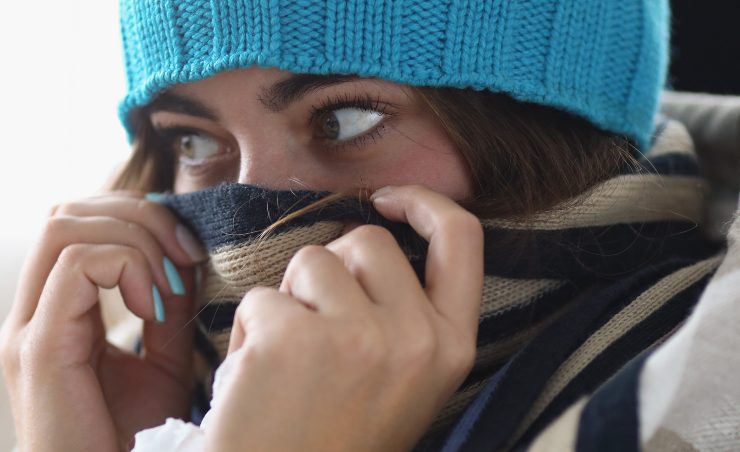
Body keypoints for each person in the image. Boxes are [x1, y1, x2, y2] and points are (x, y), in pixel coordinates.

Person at [2, 0, 736, 450]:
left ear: (545, 131)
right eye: (192, 141)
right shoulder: (148, 387)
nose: (255, 212)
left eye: (342, 117)